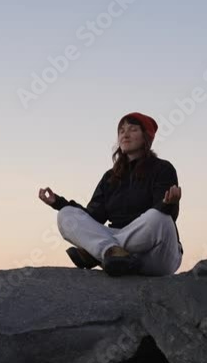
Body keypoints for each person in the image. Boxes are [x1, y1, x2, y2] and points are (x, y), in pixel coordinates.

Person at [38, 112, 183, 277]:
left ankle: (98, 252)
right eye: (121, 131)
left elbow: (165, 220)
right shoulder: (110, 177)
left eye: (133, 129)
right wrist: (58, 203)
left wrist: (168, 204)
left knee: (159, 218)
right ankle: (111, 252)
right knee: (66, 215)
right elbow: (93, 216)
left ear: (146, 138)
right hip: (117, 244)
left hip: (156, 254)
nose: (125, 135)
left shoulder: (162, 168)